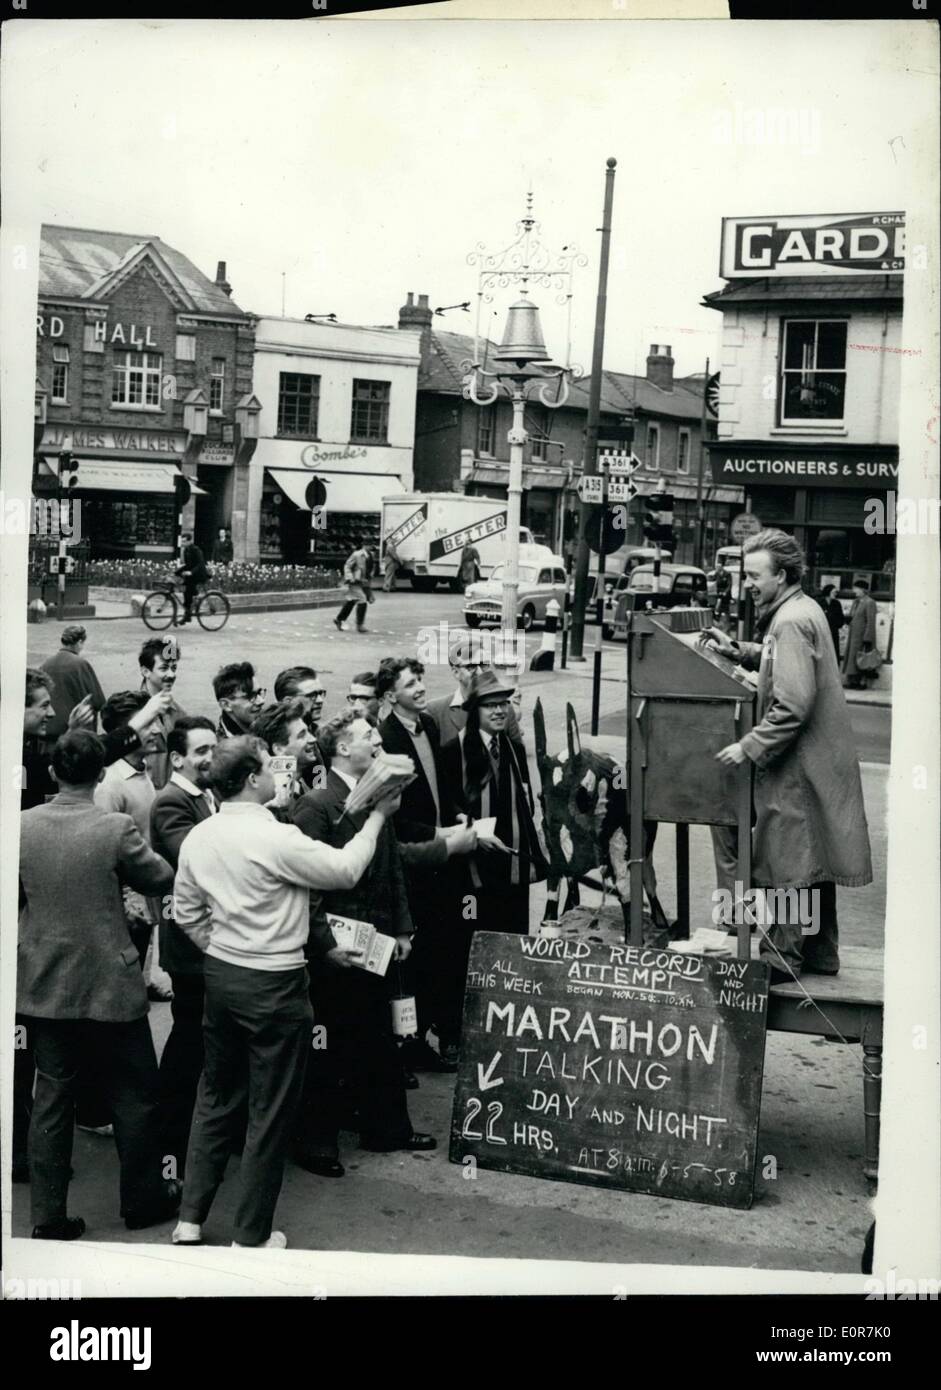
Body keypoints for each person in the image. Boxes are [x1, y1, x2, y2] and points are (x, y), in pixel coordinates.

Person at [170, 736, 402, 1250]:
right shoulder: (277, 837)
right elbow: (344, 870)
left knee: (214, 1096)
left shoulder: (200, 836)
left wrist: (225, 946)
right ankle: (250, 1234)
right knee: (269, 1110)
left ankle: (190, 1218)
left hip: (222, 975)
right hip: (276, 982)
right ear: (253, 778)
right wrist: (379, 817)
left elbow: (186, 913)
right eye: (270, 769)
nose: (282, 774)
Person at [18, 729, 180, 1240]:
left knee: (51, 1098)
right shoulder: (115, 827)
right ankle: (142, 1199)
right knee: (134, 1094)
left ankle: (47, 1214)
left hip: (44, 981)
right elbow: (158, 877)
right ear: (101, 774)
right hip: (110, 981)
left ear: (52, 773)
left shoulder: (21, 826)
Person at [702, 529, 873, 984]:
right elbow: (782, 662)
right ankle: (820, 952)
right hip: (818, 762)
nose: (748, 585)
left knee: (788, 857)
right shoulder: (802, 609)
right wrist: (738, 649)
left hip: (798, 766)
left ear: (781, 575)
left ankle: (781, 958)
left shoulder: (790, 621)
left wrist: (748, 746)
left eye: (755, 576)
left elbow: (792, 703)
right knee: (815, 857)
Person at [292, 710, 435, 1175]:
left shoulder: (379, 797)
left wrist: (402, 928)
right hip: (336, 946)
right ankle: (317, 1143)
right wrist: (322, 945)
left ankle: (386, 1128)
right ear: (341, 749)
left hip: (375, 941)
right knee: (327, 1045)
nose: (376, 740)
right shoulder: (316, 805)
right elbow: (305, 886)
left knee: (378, 1037)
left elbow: (391, 865)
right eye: (366, 735)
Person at [378, 656, 477, 1071]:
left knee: (443, 948)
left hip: (441, 854)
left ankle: (437, 1034)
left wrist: (454, 815)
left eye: (420, 680)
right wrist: (440, 836)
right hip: (415, 861)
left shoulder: (429, 725)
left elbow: (442, 787)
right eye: (409, 684)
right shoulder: (386, 739)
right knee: (412, 959)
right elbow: (396, 817)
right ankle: (409, 1043)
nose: (420, 688)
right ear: (389, 697)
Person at [150, 716, 219, 1178]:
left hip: (209, 940)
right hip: (189, 945)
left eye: (214, 748)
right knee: (189, 1036)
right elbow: (196, 856)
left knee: (203, 1036)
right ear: (177, 758)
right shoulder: (171, 802)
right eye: (201, 751)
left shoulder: (205, 795)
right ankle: (168, 1136)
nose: (210, 758)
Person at [441, 667, 549, 942]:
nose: (500, 711)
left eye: (503, 704)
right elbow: (445, 806)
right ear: (475, 710)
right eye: (490, 705)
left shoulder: (513, 748)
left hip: (511, 866)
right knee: (472, 935)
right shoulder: (454, 750)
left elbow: (524, 799)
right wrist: (475, 831)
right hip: (472, 867)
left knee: (511, 937)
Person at [94, 691, 172, 1003]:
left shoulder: (142, 772)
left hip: (144, 889)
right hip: (126, 899)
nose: (157, 730)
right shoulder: (111, 783)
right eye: (149, 723)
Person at [249, 698, 320, 814]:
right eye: (302, 735)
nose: (313, 739)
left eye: (308, 732)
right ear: (279, 749)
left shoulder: (300, 783)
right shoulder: (274, 799)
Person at [41, 625, 106, 739]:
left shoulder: (45, 664)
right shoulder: (81, 664)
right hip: (78, 733)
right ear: (80, 642)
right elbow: (99, 701)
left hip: (48, 729)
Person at [139, 636, 186, 789]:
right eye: (164, 668)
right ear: (146, 671)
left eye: (174, 668)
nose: (171, 675)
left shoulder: (179, 713)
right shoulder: (133, 713)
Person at [212, 661, 266, 738]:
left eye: (259, 693)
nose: (261, 701)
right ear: (226, 705)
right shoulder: (223, 747)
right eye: (250, 696)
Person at [842, 578, 879, 689]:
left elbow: (870, 621)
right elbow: (853, 616)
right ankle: (853, 681)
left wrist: (867, 637)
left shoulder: (870, 602)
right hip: (854, 634)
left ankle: (861, 682)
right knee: (853, 658)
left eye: (856, 589)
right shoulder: (856, 601)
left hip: (862, 635)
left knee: (862, 659)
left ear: (863, 590)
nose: (855, 591)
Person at [334, 539, 372, 633]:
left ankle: (339, 619)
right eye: (368, 545)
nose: (370, 547)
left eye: (371, 545)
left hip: (362, 581)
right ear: (364, 546)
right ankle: (360, 625)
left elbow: (369, 569)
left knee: (352, 600)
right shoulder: (357, 554)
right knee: (362, 599)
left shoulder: (370, 555)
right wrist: (350, 577)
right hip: (354, 581)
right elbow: (347, 566)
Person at [176, 529, 209, 625]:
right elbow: (187, 565)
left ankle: (188, 614)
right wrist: (176, 572)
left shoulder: (196, 550)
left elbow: (200, 564)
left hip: (199, 574)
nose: (183, 543)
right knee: (187, 594)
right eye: (182, 541)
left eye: (185, 541)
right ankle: (188, 614)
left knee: (188, 592)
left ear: (190, 541)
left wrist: (191, 572)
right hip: (191, 575)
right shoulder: (186, 550)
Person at [817, 583, 846, 660]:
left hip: (833, 631)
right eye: (834, 592)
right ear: (828, 592)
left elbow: (840, 617)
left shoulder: (836, 603)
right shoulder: (819, 602)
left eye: (836, 592)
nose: (835, 594)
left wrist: (837, 624)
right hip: (822, 631)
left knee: (833, 652)